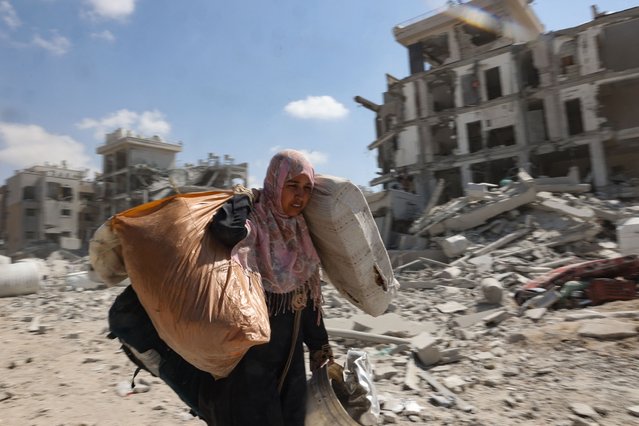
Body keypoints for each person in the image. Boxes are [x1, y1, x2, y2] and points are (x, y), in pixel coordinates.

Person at [200, 149, 334, 425]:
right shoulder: (255, 223)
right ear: (274, 183)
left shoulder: (300, 234)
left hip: (291, 361)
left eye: (307, 189)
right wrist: (243, 198)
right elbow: (225, 230)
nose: (300, 196)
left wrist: (320, 347)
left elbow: (307, 299)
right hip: (252, 362)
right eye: (292, 186)